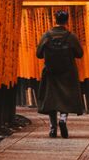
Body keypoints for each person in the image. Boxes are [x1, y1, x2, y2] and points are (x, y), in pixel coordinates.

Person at [35, 9, 85, 138]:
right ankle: (63, 119)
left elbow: (39, 54)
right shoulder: (71, 36)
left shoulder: (46, 36)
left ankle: (52, 128)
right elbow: (79, 54)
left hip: (51, 73)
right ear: (66, 21)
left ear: (55, 20)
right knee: (66, 97)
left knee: (51, 99)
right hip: (68, 72)